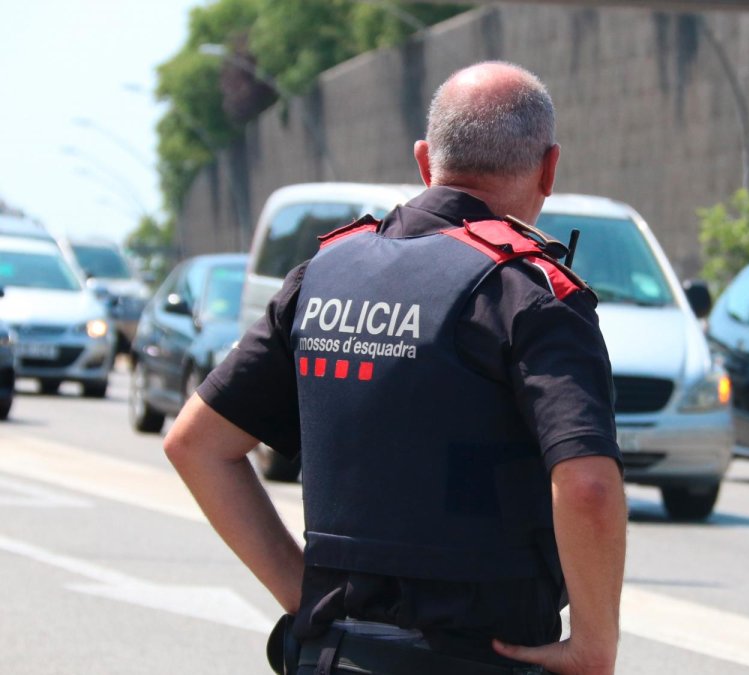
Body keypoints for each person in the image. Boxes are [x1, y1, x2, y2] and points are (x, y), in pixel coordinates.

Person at [164, 61, 627, 675]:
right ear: (549, 168)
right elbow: (589, 487)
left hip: (332, 656)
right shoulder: (531, 297)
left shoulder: (322, 276)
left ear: (423, 160)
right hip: (480, 656)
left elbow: (195, 444)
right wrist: (594, 645)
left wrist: (306, 598)